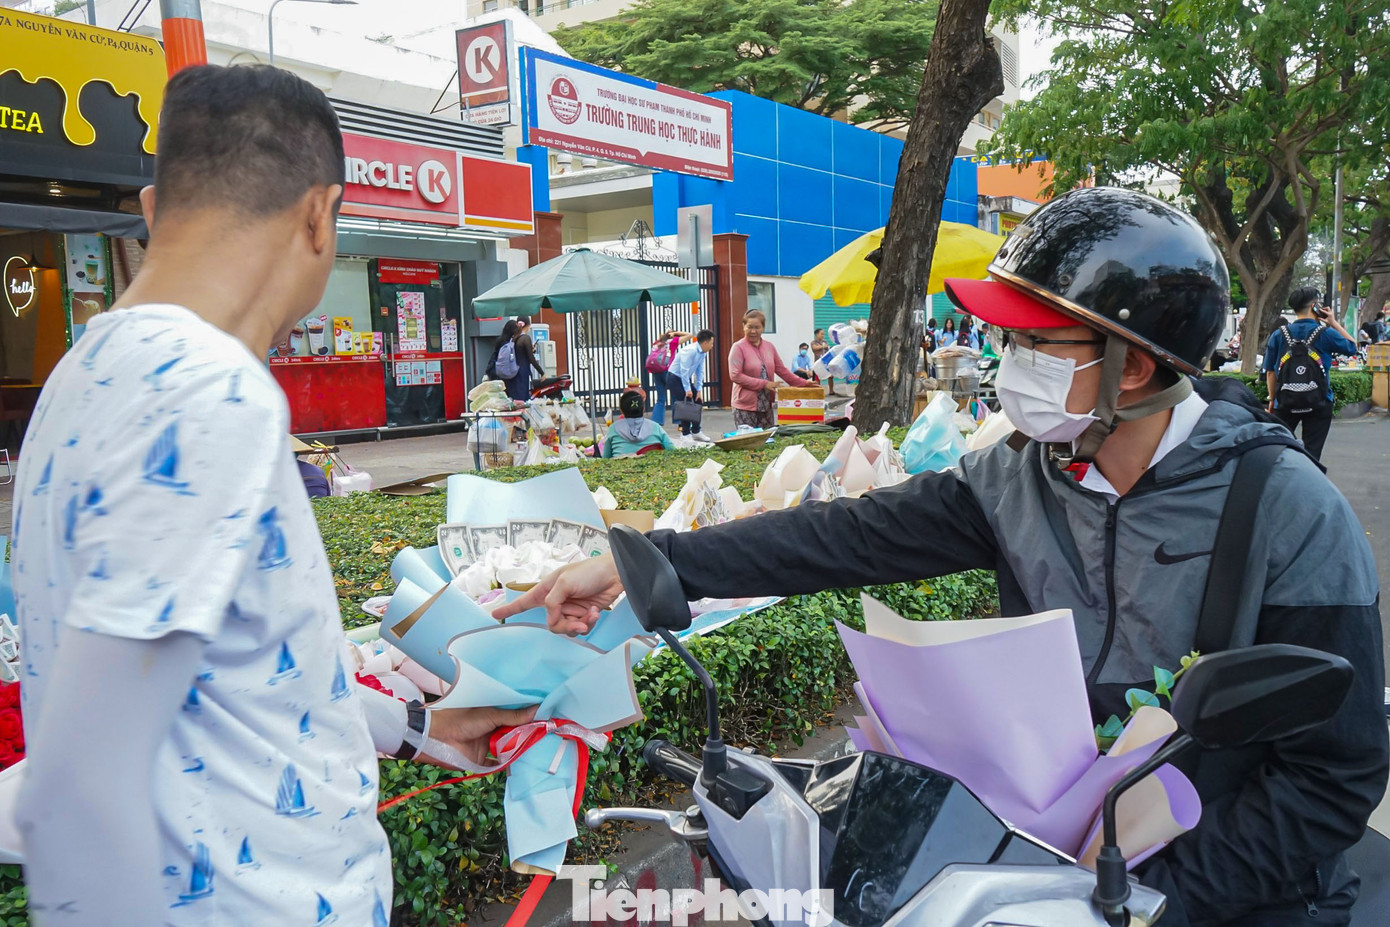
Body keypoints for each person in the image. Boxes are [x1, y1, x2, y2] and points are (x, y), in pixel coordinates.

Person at [500, 186, 1387, 927]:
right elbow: (845, 535)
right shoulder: (1018, 476)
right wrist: (647, 561)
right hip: (1046, 867)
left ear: (1131, 369)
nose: (1011, 364)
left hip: (1233, 896)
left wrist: (1154, 902)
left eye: (1041, 342)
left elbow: (1335, 773)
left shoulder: (1285, 509)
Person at [10, 65, 536, 926]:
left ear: (151, 209)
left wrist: (418, 726)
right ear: (319, 215)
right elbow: (76, 786)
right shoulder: (206, 391)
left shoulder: (78, 377)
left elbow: (231, 675)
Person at [1263, 286, 1357, 461]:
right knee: (1312, 454)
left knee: (1280, 452)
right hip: (1320, 402)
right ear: (1315, 306)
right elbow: (1352, 347)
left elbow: (1270, 372)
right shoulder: (1326, 333)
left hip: (1284, 403)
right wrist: (1333, 323)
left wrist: (1272, 401)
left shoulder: (1278, 334)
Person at [729, 310, 816, 430]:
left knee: (768, 440)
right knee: (749, 442)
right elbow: (735, 375)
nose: (753, 331)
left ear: (763, 328)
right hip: (745, 406)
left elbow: (781, 370)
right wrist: (765, 384)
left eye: (757, 327)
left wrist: (804, 383)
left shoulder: (769, 347)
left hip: (766, 404)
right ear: (743, 327)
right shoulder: (738, 347)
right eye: (749, 327)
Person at [666, 329, 714, 437]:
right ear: (705, 343)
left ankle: (696, 431)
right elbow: (684, 370)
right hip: (674, 378)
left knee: (698, 401)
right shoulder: (690, 351)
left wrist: (698, 390)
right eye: (711, 343)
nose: (712, 346)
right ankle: (685, 434)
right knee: (685, 404)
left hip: (683, 378)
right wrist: (687, 389)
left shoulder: (702, 353)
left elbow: (699, 371)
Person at [602, 390, 676, 458]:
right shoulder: (656, 427)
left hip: (619, 470)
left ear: (621, 410)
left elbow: (606, 458)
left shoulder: (613, 429)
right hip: (653, 469)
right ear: (643, 409)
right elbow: (673, 451)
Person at [646, 329, 685, 425]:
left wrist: (666, 334)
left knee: (661, 398)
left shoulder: (657, 343)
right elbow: (690, 335)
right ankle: (679, 421)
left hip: (656, 372)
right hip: (668, 371)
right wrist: (676, 334)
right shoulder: (673, 342)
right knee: (675, 396)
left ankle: (657, 421)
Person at [506, 317, 546, 402]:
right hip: (523, 373)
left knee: (515, 400)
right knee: (523, 400)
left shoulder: (513, 338)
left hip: (513, 373)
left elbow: (520, 354)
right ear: (528, 325)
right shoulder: (525, 338)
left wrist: (532, 351)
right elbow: (531, 358)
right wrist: (541, 373)